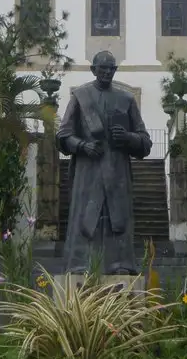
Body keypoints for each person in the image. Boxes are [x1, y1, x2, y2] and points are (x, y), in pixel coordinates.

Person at [56, 50, 152, 275]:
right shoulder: (80, 96)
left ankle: (121, 265)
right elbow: (63, 136)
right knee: (85, 217)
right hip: (88, 172)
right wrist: (82, 145)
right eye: (102, 68)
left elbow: (145, 142)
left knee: (116, 218)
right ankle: (80, 265)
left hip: (117, 171)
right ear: (93, 69)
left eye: (111, 69)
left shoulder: (127, 99)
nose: (107, 72)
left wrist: (129, 138)